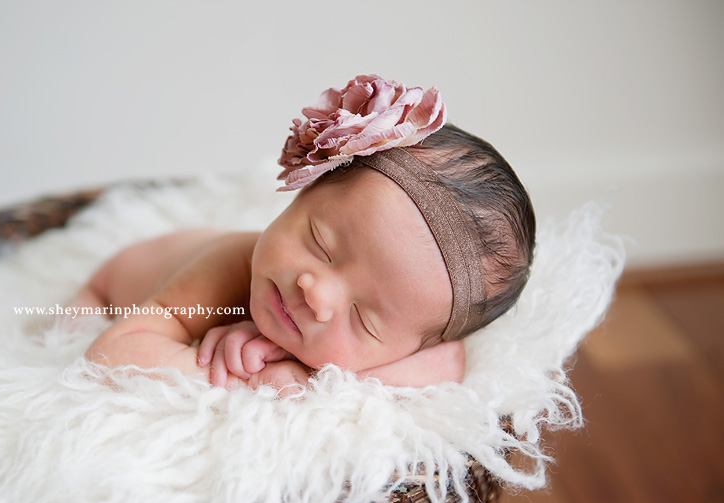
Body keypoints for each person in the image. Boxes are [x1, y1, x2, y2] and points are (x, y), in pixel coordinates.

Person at [72, 75, 535, 392]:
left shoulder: (424, 329)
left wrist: (305, 374)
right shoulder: (229, 268)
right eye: (320, 243)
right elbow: (112, 355)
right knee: (63, 338)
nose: (316, 293)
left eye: (364, 320)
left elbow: (447, 364)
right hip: (108, 289)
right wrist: (251, 383)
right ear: (305, 190)